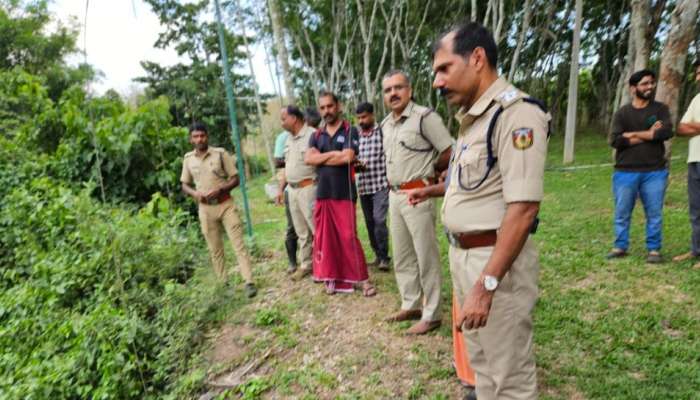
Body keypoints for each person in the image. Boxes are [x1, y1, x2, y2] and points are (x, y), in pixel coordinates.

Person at [407, 21, 550, 398]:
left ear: (477, 58)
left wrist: (486, 286)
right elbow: (473, 185)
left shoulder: (516, 115)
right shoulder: (473, 121)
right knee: (483, 368)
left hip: (494, 263)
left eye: (443, 68)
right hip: (465, 256)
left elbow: (523, 210)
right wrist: (434, 192)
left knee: (509, 378)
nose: (437, 81)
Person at [381, 69, 453, 335]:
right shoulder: (385, 124)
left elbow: (449, 150)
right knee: (402, 255)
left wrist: (432, 169)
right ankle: (411, 303)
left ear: (409, 90)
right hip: (395, 195)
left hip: (418, 195)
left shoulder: (425, 117)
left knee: (426, 256)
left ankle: (432, 313)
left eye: (398, 88)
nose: (393, 93)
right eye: (388, 90)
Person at [304, 91, 376, 296]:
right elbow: (309, 159)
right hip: (323, 193)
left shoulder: (350, 130)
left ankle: (362, 279)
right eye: (323, 108)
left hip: (344, 193)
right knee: (326, 238)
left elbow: (348, 157)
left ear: (338, 106)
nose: (327, 111)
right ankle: (332, 277)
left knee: (348, 236)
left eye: (330, 106)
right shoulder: (316, 135)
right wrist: (334, 154)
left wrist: (323, 157)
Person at [180, 122, 257, 298]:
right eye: (196, 136)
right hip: (205, 209)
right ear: (191, 139)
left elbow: (236, 178)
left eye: (202, 136)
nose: (199, 139)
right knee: (215, 250)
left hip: (226, 205)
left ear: (207, 136)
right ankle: (224, 285)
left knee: (239, 245)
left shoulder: (220, 154)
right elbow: (184, 184)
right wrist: (194, 194)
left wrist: (221, 189)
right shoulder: (188, 159)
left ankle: (249, 282)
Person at [607, 69, 673, 263]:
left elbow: (665, 133)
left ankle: (654, 250)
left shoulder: (660, 109)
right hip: (625, 171)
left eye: (651, 83)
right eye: (644, 84)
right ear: (633, 88)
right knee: (622, 212)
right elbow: (615, 140)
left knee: (654, 213)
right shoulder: (622, 113)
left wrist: (632, 135)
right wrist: (647, 134)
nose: (649, 87)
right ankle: (620, 246)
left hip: (655, 171)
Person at [276, 106, 318, 280]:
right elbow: (286, 166)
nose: (281, 122)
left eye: (283, 118)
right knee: (301, 231)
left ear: (293, 118)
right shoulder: (288, 139)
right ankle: (307, 264)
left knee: (317, 229)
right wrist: (280, 188)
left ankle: (326, 265)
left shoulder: (313, 135)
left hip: (309, 188)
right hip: (292, 190)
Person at [355, 101, 391, 271]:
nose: (361, 121)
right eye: (359, 118)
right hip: (363, 185)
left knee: (379, 219)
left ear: (372, 115)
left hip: (380, 184)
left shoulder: (383, 131)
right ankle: (377, 255)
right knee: (369, 222)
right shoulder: (357, 136)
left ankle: (385, 256)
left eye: (364, 117)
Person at [673, 60, 700, 266]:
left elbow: (688, 126)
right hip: (694, 159)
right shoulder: (696, 99)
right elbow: (680, 128)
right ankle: (695, 250)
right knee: (695, 208)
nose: (697, 77)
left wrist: (695, 126)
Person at [273, 129, 299, 273]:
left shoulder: (312, 134)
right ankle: (292, 262)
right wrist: (291, 160)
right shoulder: (283, 137)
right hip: (291, 187)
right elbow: (277, 162)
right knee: (292, 226)